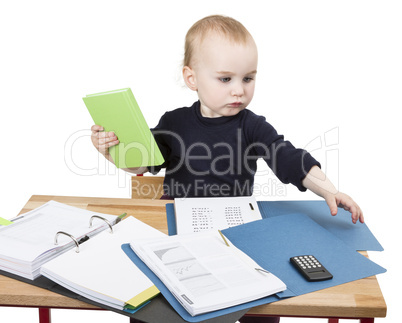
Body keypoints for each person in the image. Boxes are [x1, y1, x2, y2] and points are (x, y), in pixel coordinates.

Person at [92, 15, 363, 323]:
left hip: (234, 236)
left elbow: (288, 158)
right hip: (181, 235)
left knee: (268, 302)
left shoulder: (253, 125)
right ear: (192, 78)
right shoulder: (174, 122)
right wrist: (110, 152)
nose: (239, 91)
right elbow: (143, 161)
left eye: (248, 79)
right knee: (154, 302)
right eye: (225, 79)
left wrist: (330, 189)